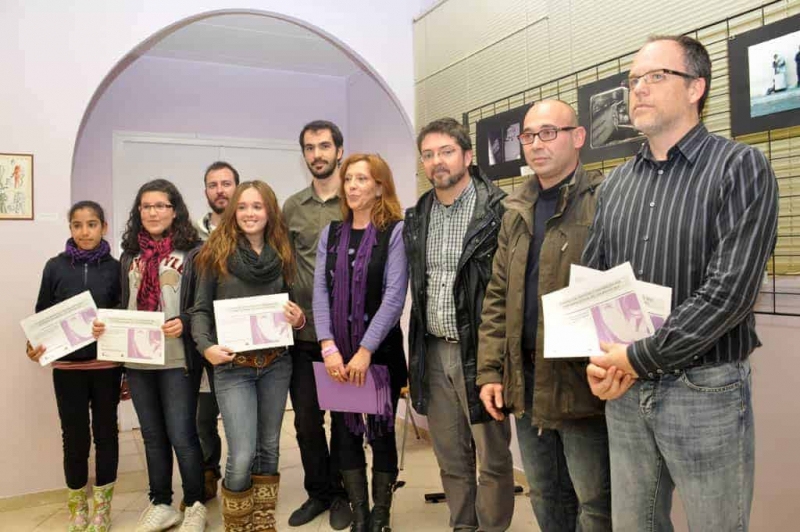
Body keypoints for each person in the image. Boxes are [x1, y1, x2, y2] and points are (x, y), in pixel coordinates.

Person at [582, 35, 778, 531]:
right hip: (624, 389)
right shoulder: (615, 183)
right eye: (633, 81)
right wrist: (602, 358)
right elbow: (597, 281)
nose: (638, 90)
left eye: (655, 77)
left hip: (705, 388)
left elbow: (729, 293)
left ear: (697, 88)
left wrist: (636, 356)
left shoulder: (741, 168)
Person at [477, 100, 611, 532]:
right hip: (526, 379)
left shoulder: (604, 201)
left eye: (549, 132)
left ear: (578, 137)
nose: (536, 144)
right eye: (529, 136)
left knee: (595, 500)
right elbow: (498, 296)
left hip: (582, 381)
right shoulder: (515, 209)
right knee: (546, 494)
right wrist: (490, 372)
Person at [404, 117, 514, 531]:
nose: (437, 162)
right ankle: (462, 524)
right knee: (450, 455)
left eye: (446, 151)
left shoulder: (500, 211)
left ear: (468, 156)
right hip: (432, 350)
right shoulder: (417, 217)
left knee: (494, 458)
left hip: (481, 354)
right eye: (428, 155)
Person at [92, 179, 207, 532]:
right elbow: (121, 304)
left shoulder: (195, 254)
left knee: (182, 434)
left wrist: (185, 322)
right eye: (146, 206)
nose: (153, 212)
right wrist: (103, 326)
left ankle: (195, 503)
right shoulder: (129, 255)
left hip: (177, 360)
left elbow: (205, 305)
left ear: (175, 211)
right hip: (138, 361)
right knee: (152, 435)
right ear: (138, 212)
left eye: (160, 205)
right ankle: (161, 503)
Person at [192, 180, 305, 532]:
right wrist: (206, 346)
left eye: (257, 206)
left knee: (269, 447)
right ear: (233, 212)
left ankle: (263, 519)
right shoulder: (214, 252)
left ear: (269, 211)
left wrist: (298, 318)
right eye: (242, 207)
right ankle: (237, 523)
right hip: (232, 368)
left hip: (276, 364)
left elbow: (295, 308)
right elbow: (199, 311)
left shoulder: (284, 253)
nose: (250, 213)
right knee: (241, 454)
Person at [312, 154, 408, 532]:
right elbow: (321, 291)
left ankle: (381, 516)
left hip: (379, 353)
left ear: (380, 186)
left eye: (362, 179)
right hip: (337, 353)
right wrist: (328, 346)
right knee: (345, 432)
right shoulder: (331, 233)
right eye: (348, 178)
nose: (352, 186)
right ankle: (361, 515)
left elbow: (394, 296)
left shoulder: (395, 232)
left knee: (382, 434)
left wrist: (365, 351)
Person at [27, 200, 122, 532]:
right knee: (75, 438)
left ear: (103, 228)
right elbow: (41, 315)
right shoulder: (55, 267)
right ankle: (78, 508)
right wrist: (34, 345)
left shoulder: (116, 267)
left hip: (107, 368)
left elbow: (122, 315)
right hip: (68, 371)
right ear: (70, 228)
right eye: (78, 225)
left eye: (92, 224)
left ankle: (102, 509)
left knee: (107, 435)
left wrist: (107, 328)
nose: (85, 231)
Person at [283, 120, 351, 529]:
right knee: (308, 421)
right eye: (309, 148)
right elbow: (282, 265)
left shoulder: (356, 199)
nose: (317, 155)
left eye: (324, 146)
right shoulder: (292, 207)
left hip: (346, 336)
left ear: (339, 151)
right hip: (303, 337)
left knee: (346, 420)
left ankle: (344, 492)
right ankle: (318, 493)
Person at [195, 161, 240, 503]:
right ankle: (209, 472)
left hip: (244, 342)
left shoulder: (252, 228)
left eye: (226, 183)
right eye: (213, 184)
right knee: (203, 415)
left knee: (242, 415)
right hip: (203, 342)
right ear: (206, 191)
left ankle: (246, 475)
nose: (220, 190)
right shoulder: (190, 236)